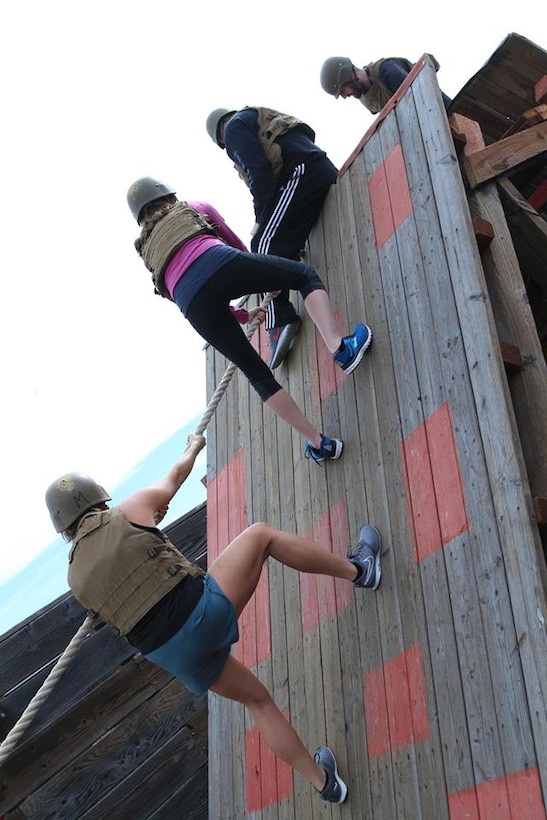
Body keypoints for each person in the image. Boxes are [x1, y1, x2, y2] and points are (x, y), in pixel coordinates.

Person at [45, 438, 382, 804]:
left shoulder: (74, 580)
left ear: (64, 528)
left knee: (258, 702)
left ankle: (325, 784)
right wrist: (192, 447)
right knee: (261, 535)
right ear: (98, 498)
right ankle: (360, 570)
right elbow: (174, 477)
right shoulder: (127, 511)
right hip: (201, 614)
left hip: (175, 657)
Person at [126, 176, 373, 465]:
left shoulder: (149, 253)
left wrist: (240, 315)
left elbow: (183, 290)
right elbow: (236, 246)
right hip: (219, 262)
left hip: (193, 305)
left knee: (257, 375)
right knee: (303, 275)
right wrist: (265, 281)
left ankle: (320, 444)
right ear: (167, 195)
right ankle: (341, 349)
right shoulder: (193, 207)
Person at [205, 106, 339, 369]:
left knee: (261, 250)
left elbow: (259, 175)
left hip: (302, 173)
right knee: (274, 245)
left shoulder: (233, 129)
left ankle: (279, 321)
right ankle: (281, 310)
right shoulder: (255, 117)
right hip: (317, 168)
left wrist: (259, 221)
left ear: (221, 140)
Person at [320, 55, 452, 113]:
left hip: (445, 112)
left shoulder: (387, 70)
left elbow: (421, 97)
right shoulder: (367, 99)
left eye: (343, 90)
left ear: (348, 75)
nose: (345, 96)